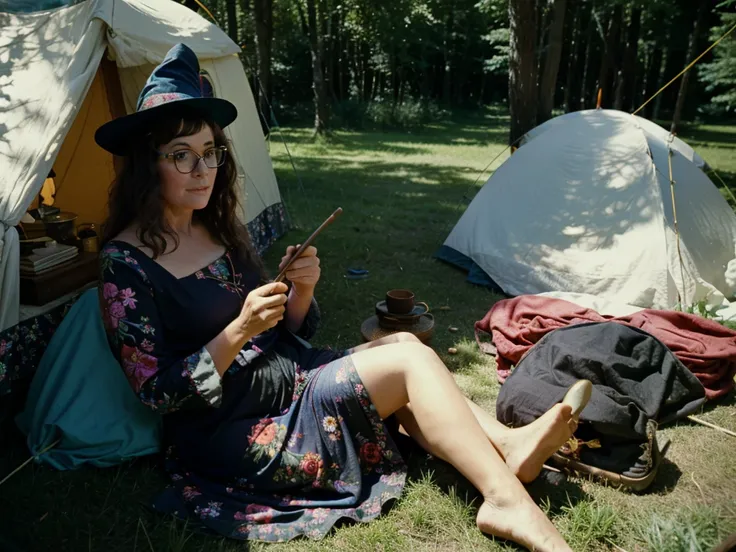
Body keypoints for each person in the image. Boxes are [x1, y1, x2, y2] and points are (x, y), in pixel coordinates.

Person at [94, 43, 590, 551]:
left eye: (210, 152)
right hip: (237, 425)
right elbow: (156, 393)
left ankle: (508, 444)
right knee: (409, 367)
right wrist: (238, 329)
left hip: (290, 376)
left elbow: (284, 330)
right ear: (145, 164)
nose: (203, 169)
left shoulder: (219, 229)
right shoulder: (125, 265)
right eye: (181, 155)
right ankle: (505, 500)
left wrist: (300, 291)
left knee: (409, 349)